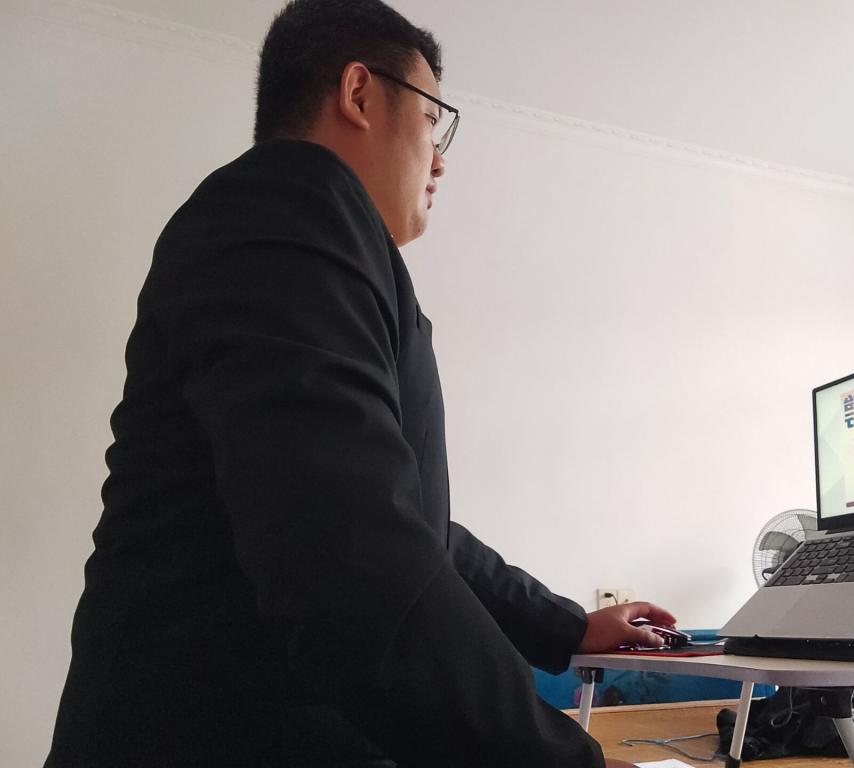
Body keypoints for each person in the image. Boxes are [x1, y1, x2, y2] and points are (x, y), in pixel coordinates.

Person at [43, 1, 673, 766]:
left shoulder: (312, 236)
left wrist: (565, 626)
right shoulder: (288, 205)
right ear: (359, 93)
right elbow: (354, 556)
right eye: (434, 119)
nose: (440, 160)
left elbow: (404, 521)